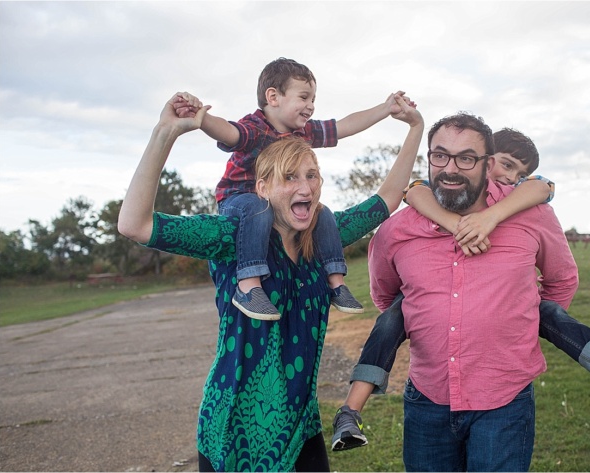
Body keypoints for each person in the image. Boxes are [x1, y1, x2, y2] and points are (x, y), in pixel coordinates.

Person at [118, 92, 423, 472]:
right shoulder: (231, 237)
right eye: (289, 177)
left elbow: (386, 200)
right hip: (236, 433)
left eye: (311, 176)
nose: (305, 188)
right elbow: (135, 224)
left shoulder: (323, 240)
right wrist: (165, 133)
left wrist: (415, 127)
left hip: (300, 425)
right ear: (262, 188)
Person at [329, 127, 590, 452]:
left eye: (519, 174)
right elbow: (414, 190)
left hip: (503, 391)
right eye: (506, 165)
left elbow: (543, 187)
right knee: (392, 316)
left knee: (544, 310)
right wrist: (454, 228)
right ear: (485, 159)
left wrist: (518, 318)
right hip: (429, 384)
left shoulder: (526, 206)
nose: (511, 178)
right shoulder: (429, 195)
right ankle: (351, 410)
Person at [173, 57, 411, 321]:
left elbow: (344, 125)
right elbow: (228, 131)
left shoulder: (304, 132)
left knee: (323, 212)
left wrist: (385, 108)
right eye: (304, 97)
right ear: (273, 97)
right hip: (240, 201)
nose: (311, 106)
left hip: (278, 204)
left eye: (313, 99)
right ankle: (249, 286)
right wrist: (201, 117)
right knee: (257, 207)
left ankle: (335, 282)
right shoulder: (255, 128)